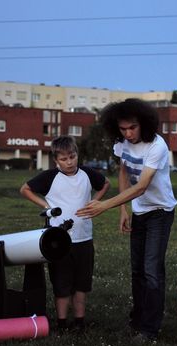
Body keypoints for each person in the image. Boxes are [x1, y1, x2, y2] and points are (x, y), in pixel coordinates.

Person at [76, 98, 177, 341]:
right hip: (140, 212)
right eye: (123, 129)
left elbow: (142, 186)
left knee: (152, 270)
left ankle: (150, 328)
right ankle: (138, 320)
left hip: (160, 212)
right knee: (137, 270)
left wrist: (105, 205)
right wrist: (124, 210)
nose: (128, 133)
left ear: (144, 123)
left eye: (132, 127)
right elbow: (123, 171)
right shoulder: (122, 143)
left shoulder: (157, 146)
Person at [20, 135, 110, 331]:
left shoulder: (87, 174)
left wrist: (95, 202)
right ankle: (61, 323)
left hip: (84, 238)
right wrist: (46, 205)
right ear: (55, 160)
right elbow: (25, 189)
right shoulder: (49, 177)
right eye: (64, 159)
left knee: (81, 284)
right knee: (61, 284)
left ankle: (79, 322)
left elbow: (105, 184)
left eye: (72, 156)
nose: (69, 162)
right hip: (58, 241)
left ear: (77, 155)